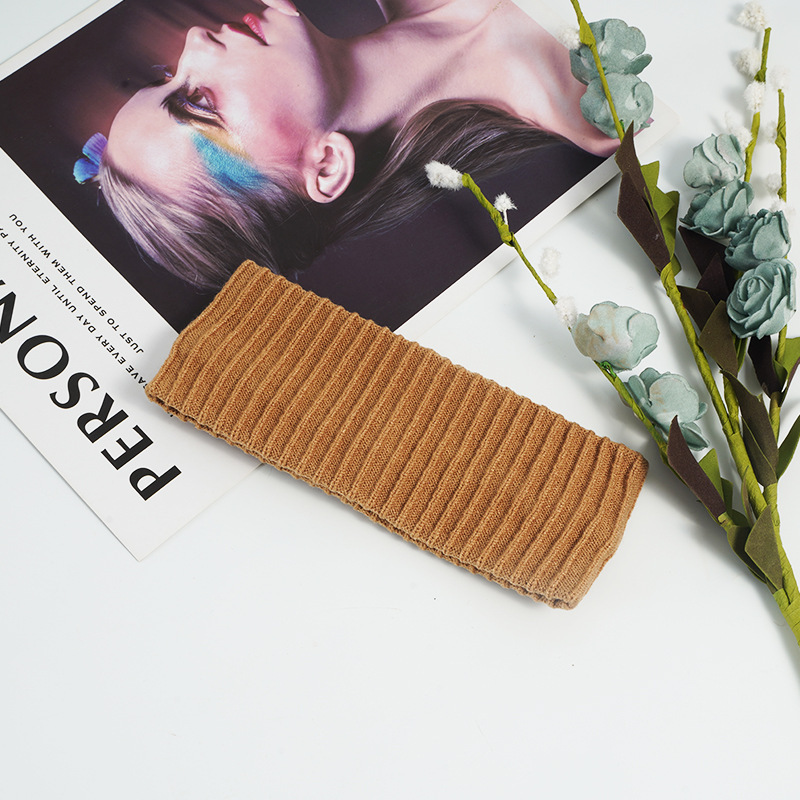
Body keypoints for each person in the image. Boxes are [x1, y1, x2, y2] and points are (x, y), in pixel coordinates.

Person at [92, 0, 617, 289]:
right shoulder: (602, 113)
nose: (194, 41)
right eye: (199, 101)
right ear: (325, 166)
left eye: (166, 74)